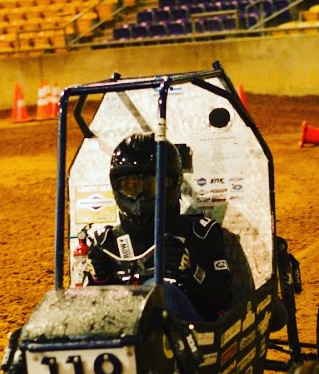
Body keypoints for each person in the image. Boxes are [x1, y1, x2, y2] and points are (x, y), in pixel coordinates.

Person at [82, 133, 250, 320]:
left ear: (172, 184)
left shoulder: (200, 233)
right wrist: (98, 282)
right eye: (131, 187)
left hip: (190, 339)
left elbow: (221, 301)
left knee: (160, 292)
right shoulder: (106, 243)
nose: (141, 197)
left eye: (151, 186)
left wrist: (190, 272)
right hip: (120, 340)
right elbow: (89, 315)